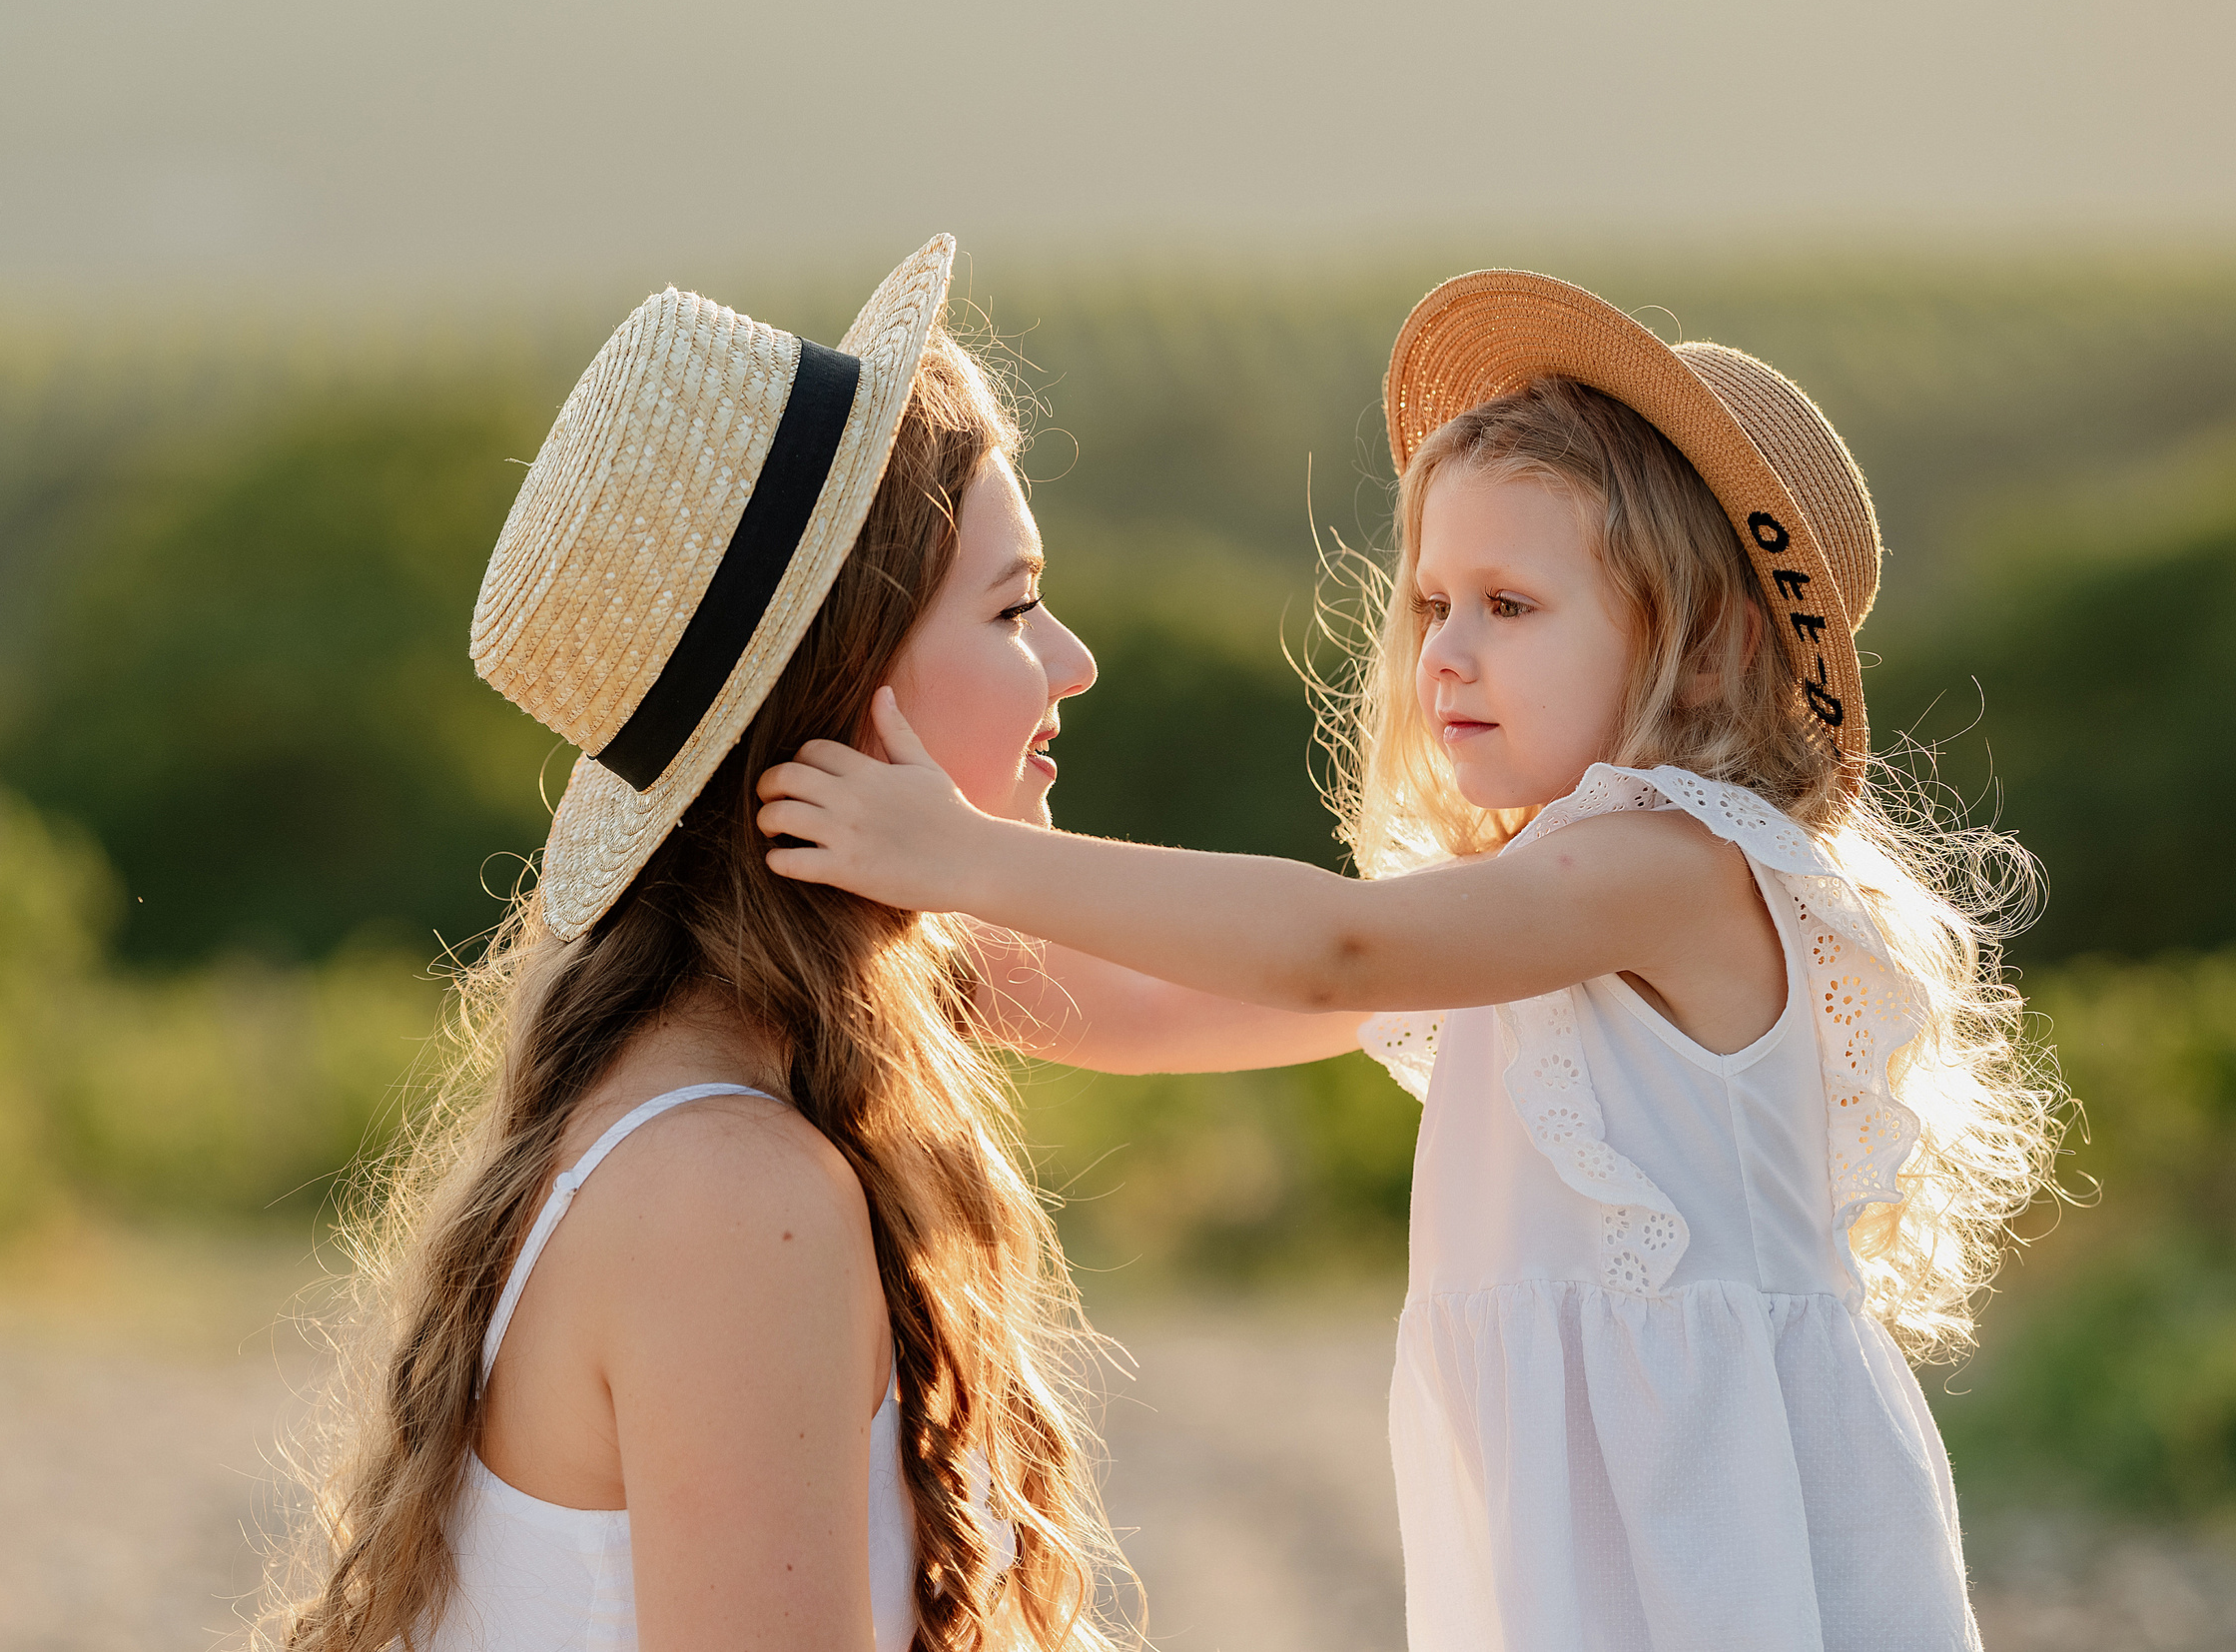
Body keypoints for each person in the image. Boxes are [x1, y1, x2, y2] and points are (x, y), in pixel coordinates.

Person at [754, 270, 2063, 1650]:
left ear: (1703, 653)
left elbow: (1332, 948)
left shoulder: (1677, 864)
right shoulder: (1526, 913)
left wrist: (964, 856)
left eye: (1511, 605)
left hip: (1716, 1525)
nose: (1446, 652)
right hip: (1586, 1527)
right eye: (1434, 601)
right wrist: (884, 944)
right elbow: (1157, 1003)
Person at [269, 238, 1126, 1652]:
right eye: (1016, 607)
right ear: (850, 694)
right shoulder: (729, 1195)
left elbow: (1289, 984)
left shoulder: (695, 1098)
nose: (1074, 661)